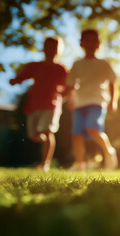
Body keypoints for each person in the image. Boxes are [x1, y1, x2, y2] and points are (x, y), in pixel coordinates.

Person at [10, 37, 70, 172]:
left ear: (59, 50)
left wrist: (63, 96)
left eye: (54, 48)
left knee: (47, 131)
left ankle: (45, 164)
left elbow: (69, 86)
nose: (51, 50)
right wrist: (16, 80)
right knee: (33, 135)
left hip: (52, 105)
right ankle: (42, 140)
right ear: (43, 48)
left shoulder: (61, 69)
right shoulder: (35, 66)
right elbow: (22, 76)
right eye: (48, 47)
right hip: (34, 105)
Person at [67, 29, 119, 171]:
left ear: (98, 44)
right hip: (79, 103)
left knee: (92, 129)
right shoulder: (77, 64)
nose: (90, 43)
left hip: (97, 102)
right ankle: (80, 164)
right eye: (87, 40)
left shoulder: (103, 63)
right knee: (76, 134)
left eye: (93, 40)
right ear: (81, 43)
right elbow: (71, 85)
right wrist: (71, 99)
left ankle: (109, 152)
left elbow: (113, 82)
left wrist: (113, 101)